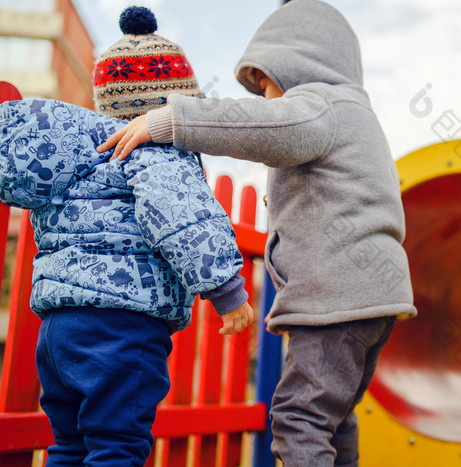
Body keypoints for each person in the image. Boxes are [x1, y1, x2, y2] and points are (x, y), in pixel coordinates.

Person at [99, 1, 417, 465]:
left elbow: (262, 126)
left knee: (299, 419)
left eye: (264, 82)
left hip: (339, 300)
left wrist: (169, 121)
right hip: (377, 300)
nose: (266, 97)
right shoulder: (359, 117)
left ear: (300, 62)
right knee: (334, 417)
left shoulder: (321, 106)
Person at [0, 6, 253, 466]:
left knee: (69, 445)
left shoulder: (75, 159)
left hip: (57, 330)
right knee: (118, 446)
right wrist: (227, 291)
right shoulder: (157, 154)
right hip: (121, 327)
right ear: (175, 102)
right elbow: (184, 221)